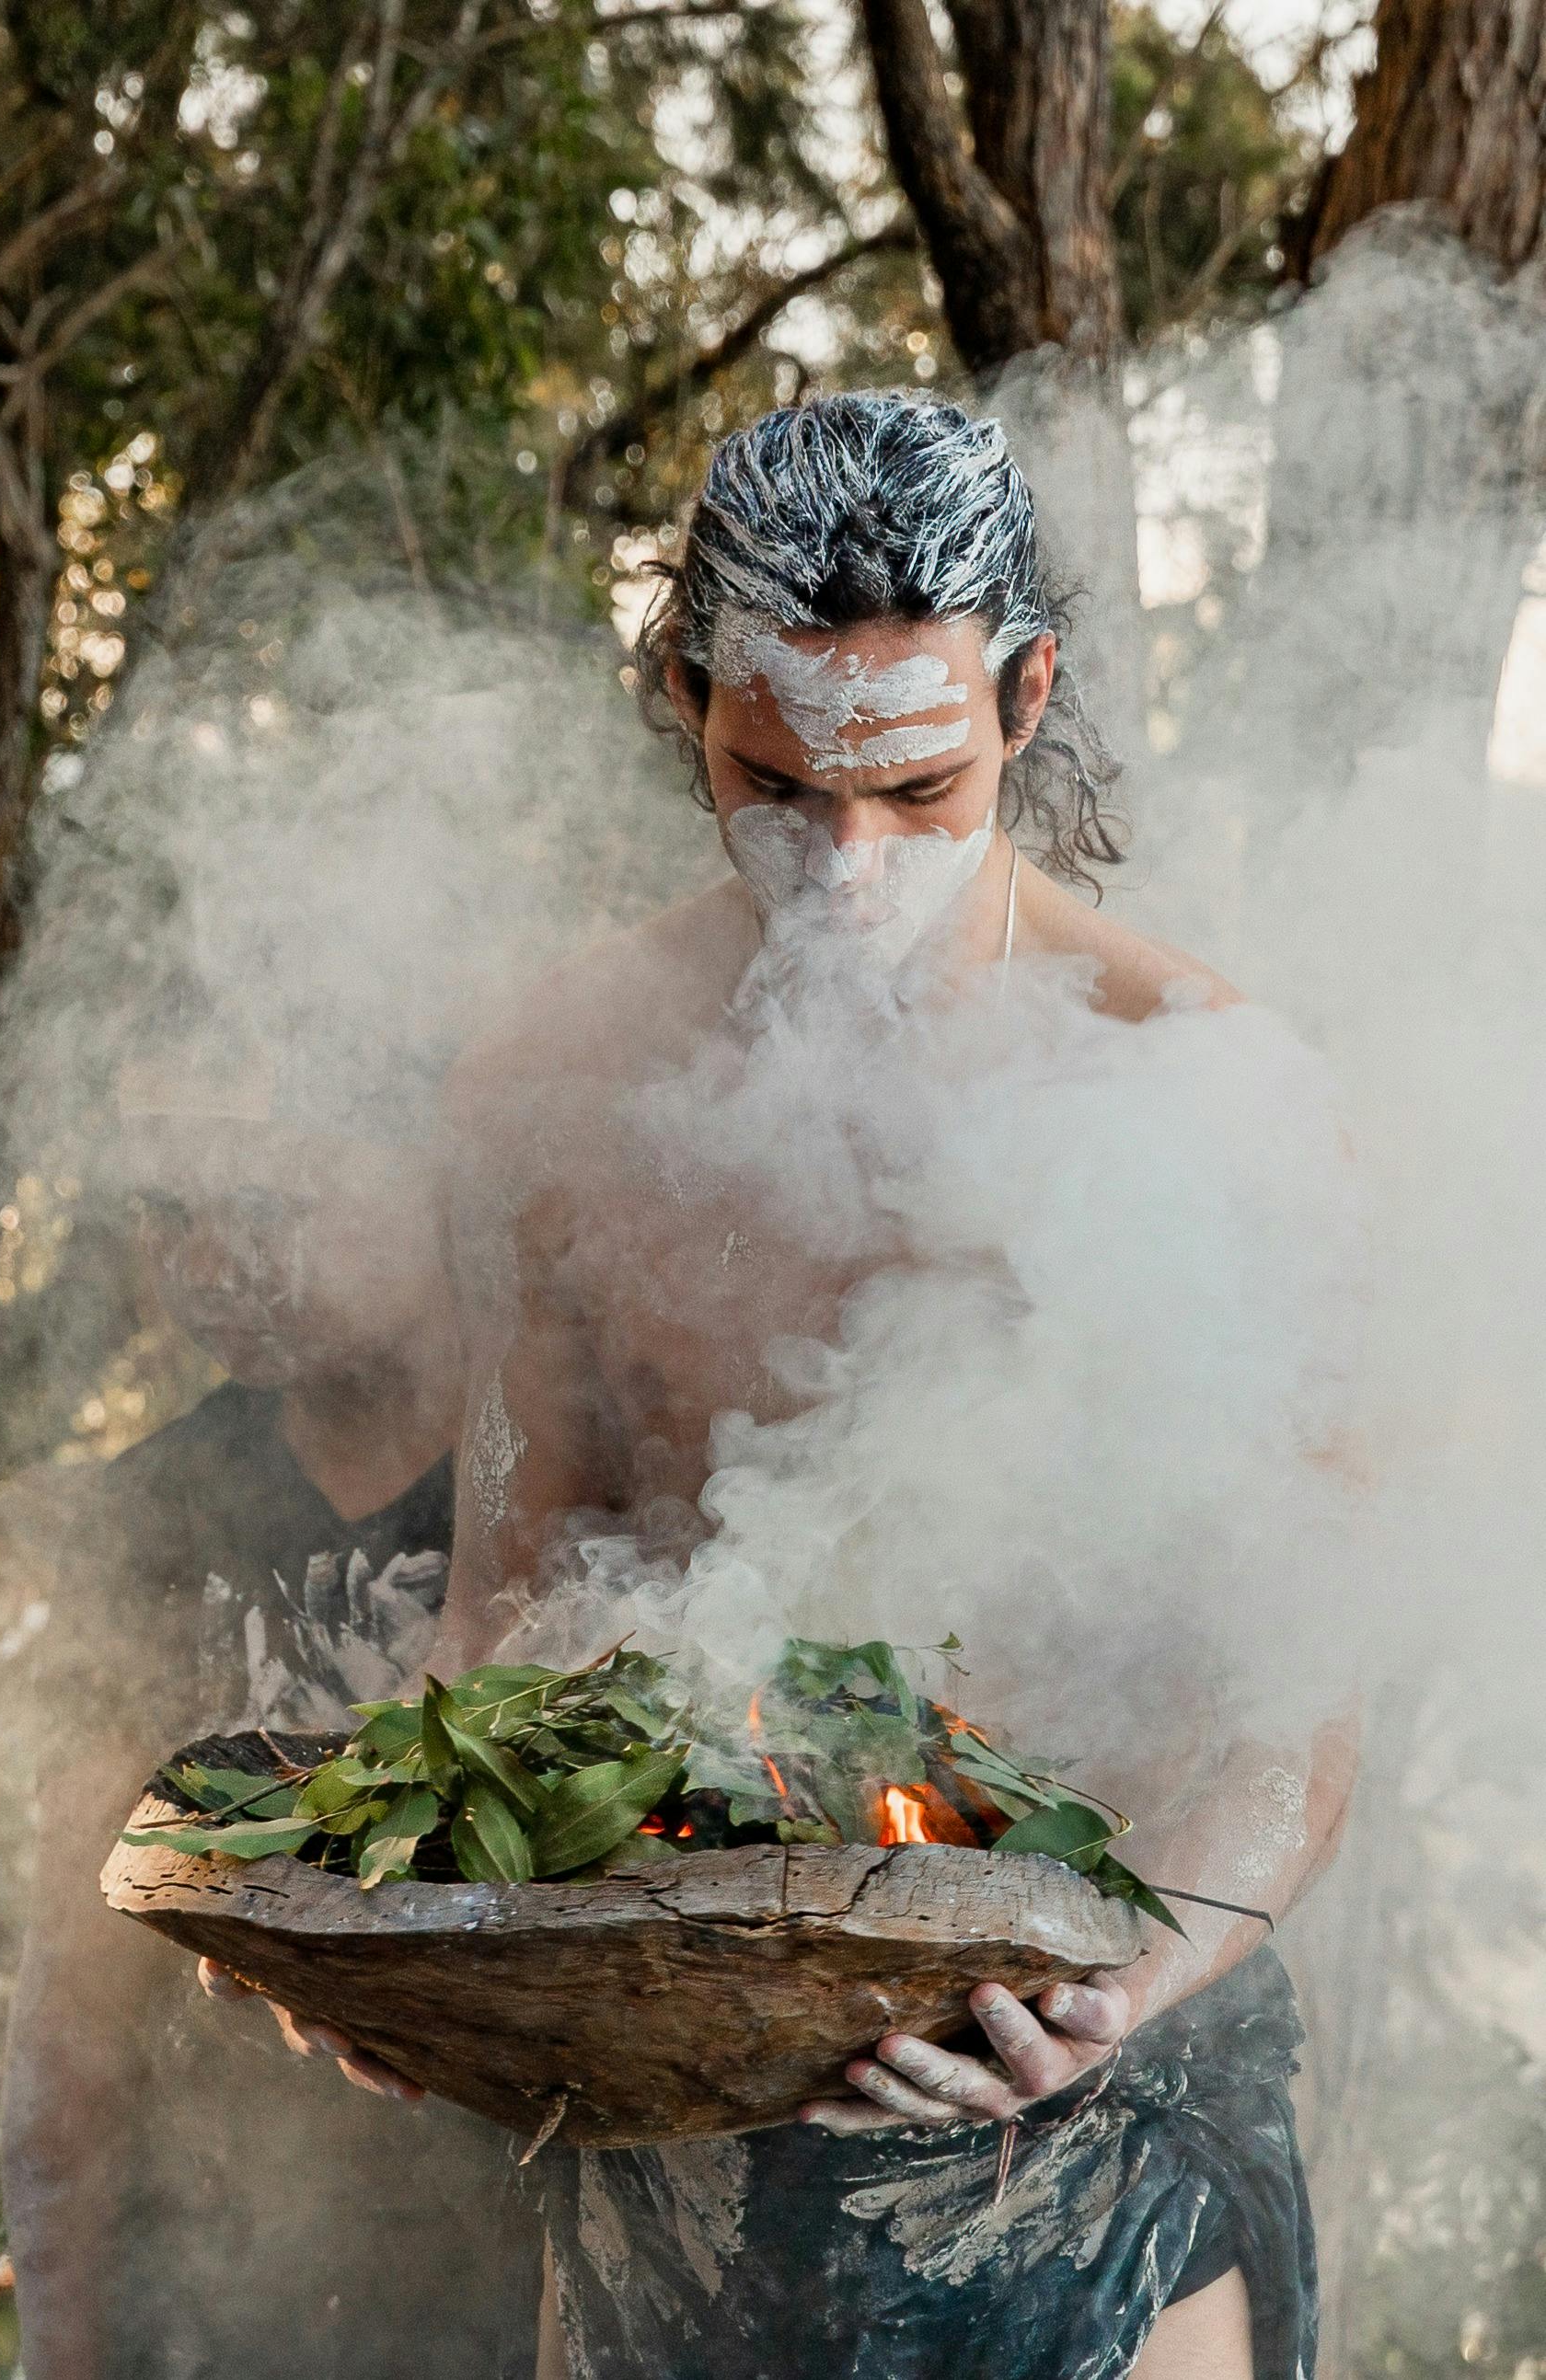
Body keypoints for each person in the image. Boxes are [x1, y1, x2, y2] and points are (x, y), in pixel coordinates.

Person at [207, 392, 1356, 2379]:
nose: (843, 867)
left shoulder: (1211, 1091)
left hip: (1104, 2114)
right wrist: (396, 1917)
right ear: (681, 694)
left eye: (913, 791)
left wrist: (1131, 1968)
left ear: (1025, 693)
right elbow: (513, 1611)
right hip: (671, 2109)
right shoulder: (548, 1087)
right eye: (776, 782)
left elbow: (1300, 1694)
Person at [3, 1041, 544, 2380]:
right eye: (166, 1210)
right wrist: (64, 2345)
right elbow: (76, 1995)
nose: (203, 1262)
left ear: (440, 1177)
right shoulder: (148, 1515)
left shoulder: (566, 1482)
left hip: (533, 2261)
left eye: (266, 1201)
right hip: (226, 2269)